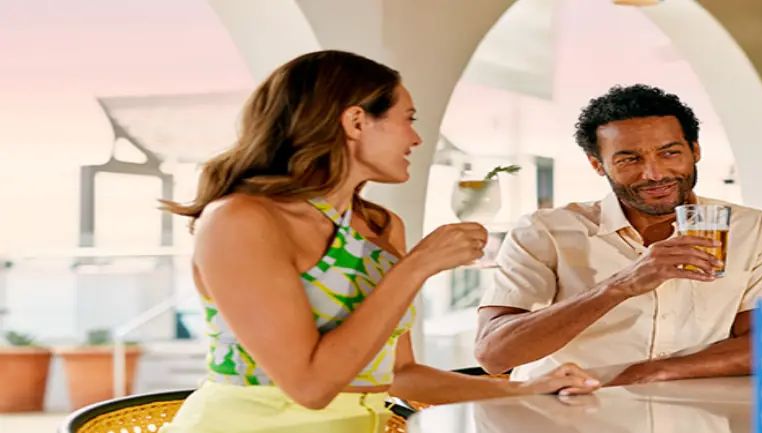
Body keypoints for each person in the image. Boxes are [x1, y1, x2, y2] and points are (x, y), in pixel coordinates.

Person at [159, 50, 599, 433]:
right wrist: (417, 266)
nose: (416, 137)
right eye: (407, 119)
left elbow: (401, 373)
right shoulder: (241, 220)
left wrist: (524, 389)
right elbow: (310, 386)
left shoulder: (380, 225)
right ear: (355, 121)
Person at [474, 84, 762, 386]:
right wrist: (621, 285)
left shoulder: (753, 229)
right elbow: (494, 356)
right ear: (597, 164)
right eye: (629, 158)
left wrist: (653, 372)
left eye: (670, 152)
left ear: (695, 151)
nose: (654, 173)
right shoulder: (545, 232)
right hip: (564, 417)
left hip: (691, 417)